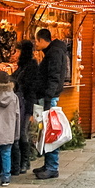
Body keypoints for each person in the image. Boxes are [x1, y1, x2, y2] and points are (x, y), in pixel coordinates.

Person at [33, 28, 68, 180]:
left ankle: (52, 167)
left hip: (50, 98)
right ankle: (48, 164)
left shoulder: (53, 54)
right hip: (49, 96)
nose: (35, 44)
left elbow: (53, 77)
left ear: (42, 40)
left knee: (51, 131)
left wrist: (48, 98)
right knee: (47, 130)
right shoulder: (54, 51)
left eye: (36, 41)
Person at [11, 39, 38, 176]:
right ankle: (22, 161)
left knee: (22, 133)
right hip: (20, 104)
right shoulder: (22, 66)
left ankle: (25, 161)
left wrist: (32, 109)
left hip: (27, 104)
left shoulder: (31, 67)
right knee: (20, 132)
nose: (15, 53)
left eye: (17, 50)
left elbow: (31, 88)